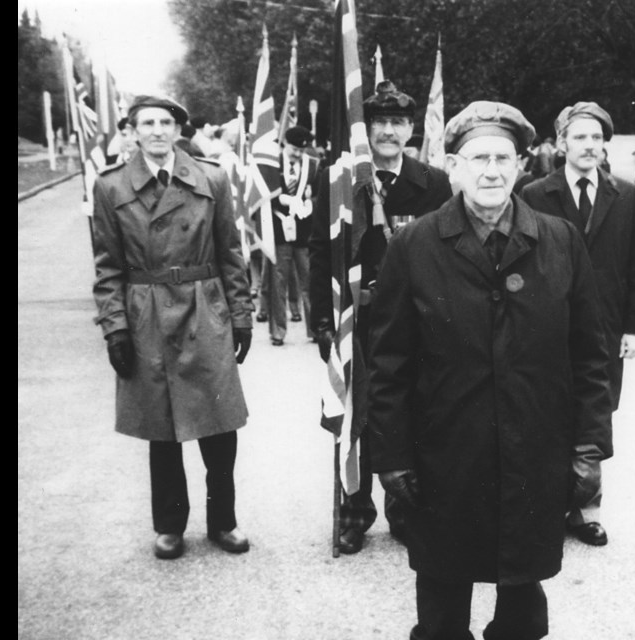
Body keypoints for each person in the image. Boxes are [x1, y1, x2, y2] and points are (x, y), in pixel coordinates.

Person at [368, 101, 612, 640]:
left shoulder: (561, 241)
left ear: (523, 164)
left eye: (504, 157)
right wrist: (391, 456)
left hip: (535, 451)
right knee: (441, 608)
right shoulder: (414, 246)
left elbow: (591, 357)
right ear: (452, 165)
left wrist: (589, 448)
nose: (492, 170)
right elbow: (388, 365)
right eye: (478, 157)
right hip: (445, 455)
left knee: (523, 608)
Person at [90, 95, 255, 560]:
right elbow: (106, 267)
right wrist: (114, 326)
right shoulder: (111, 187)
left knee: (219, 424)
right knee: (162, 427)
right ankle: (169, 525)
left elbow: (230, 252)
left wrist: (240, 313)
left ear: (179, 130)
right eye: (148, 123)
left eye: (167, 122)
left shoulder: (212, 178)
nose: (159, 130)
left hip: (206, 308)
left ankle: (224, 520)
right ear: (133, 130)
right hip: (147, 313)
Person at [308, 80, 451, 554]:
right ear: (365, 129)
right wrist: (322, 324)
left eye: (398, 123)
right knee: (354, 415)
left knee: (410, 411)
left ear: (412, 128)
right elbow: (320, 252)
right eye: (379, 123)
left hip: (414, 320)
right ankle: (353, 513)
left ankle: (405, 510)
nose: (389, 132)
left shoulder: (433, 183)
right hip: (358, 319)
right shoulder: (339, 180)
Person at [520, 101, 635, 546]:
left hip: (606, 329)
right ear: (562, 144)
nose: (590, 145)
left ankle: (587, 508)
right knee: (549, 410)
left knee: (596, 413)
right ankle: (547, 503)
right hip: (552, 324)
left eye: (597, 138)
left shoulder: (627, 194)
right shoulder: (536, 194)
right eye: (580, 137)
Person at [267, 125, 320, 345]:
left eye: (301, 151)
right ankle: (278, 332)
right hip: (279, 228)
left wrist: (309, 204)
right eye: (294, 149)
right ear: (284, 144)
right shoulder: (271, 164)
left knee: (308, 279)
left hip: (303, 231)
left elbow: (317, 194)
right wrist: (281, 201)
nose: (298, 154)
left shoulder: (312, 166)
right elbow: (263, 196)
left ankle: (315, 328)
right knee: (278, 280)